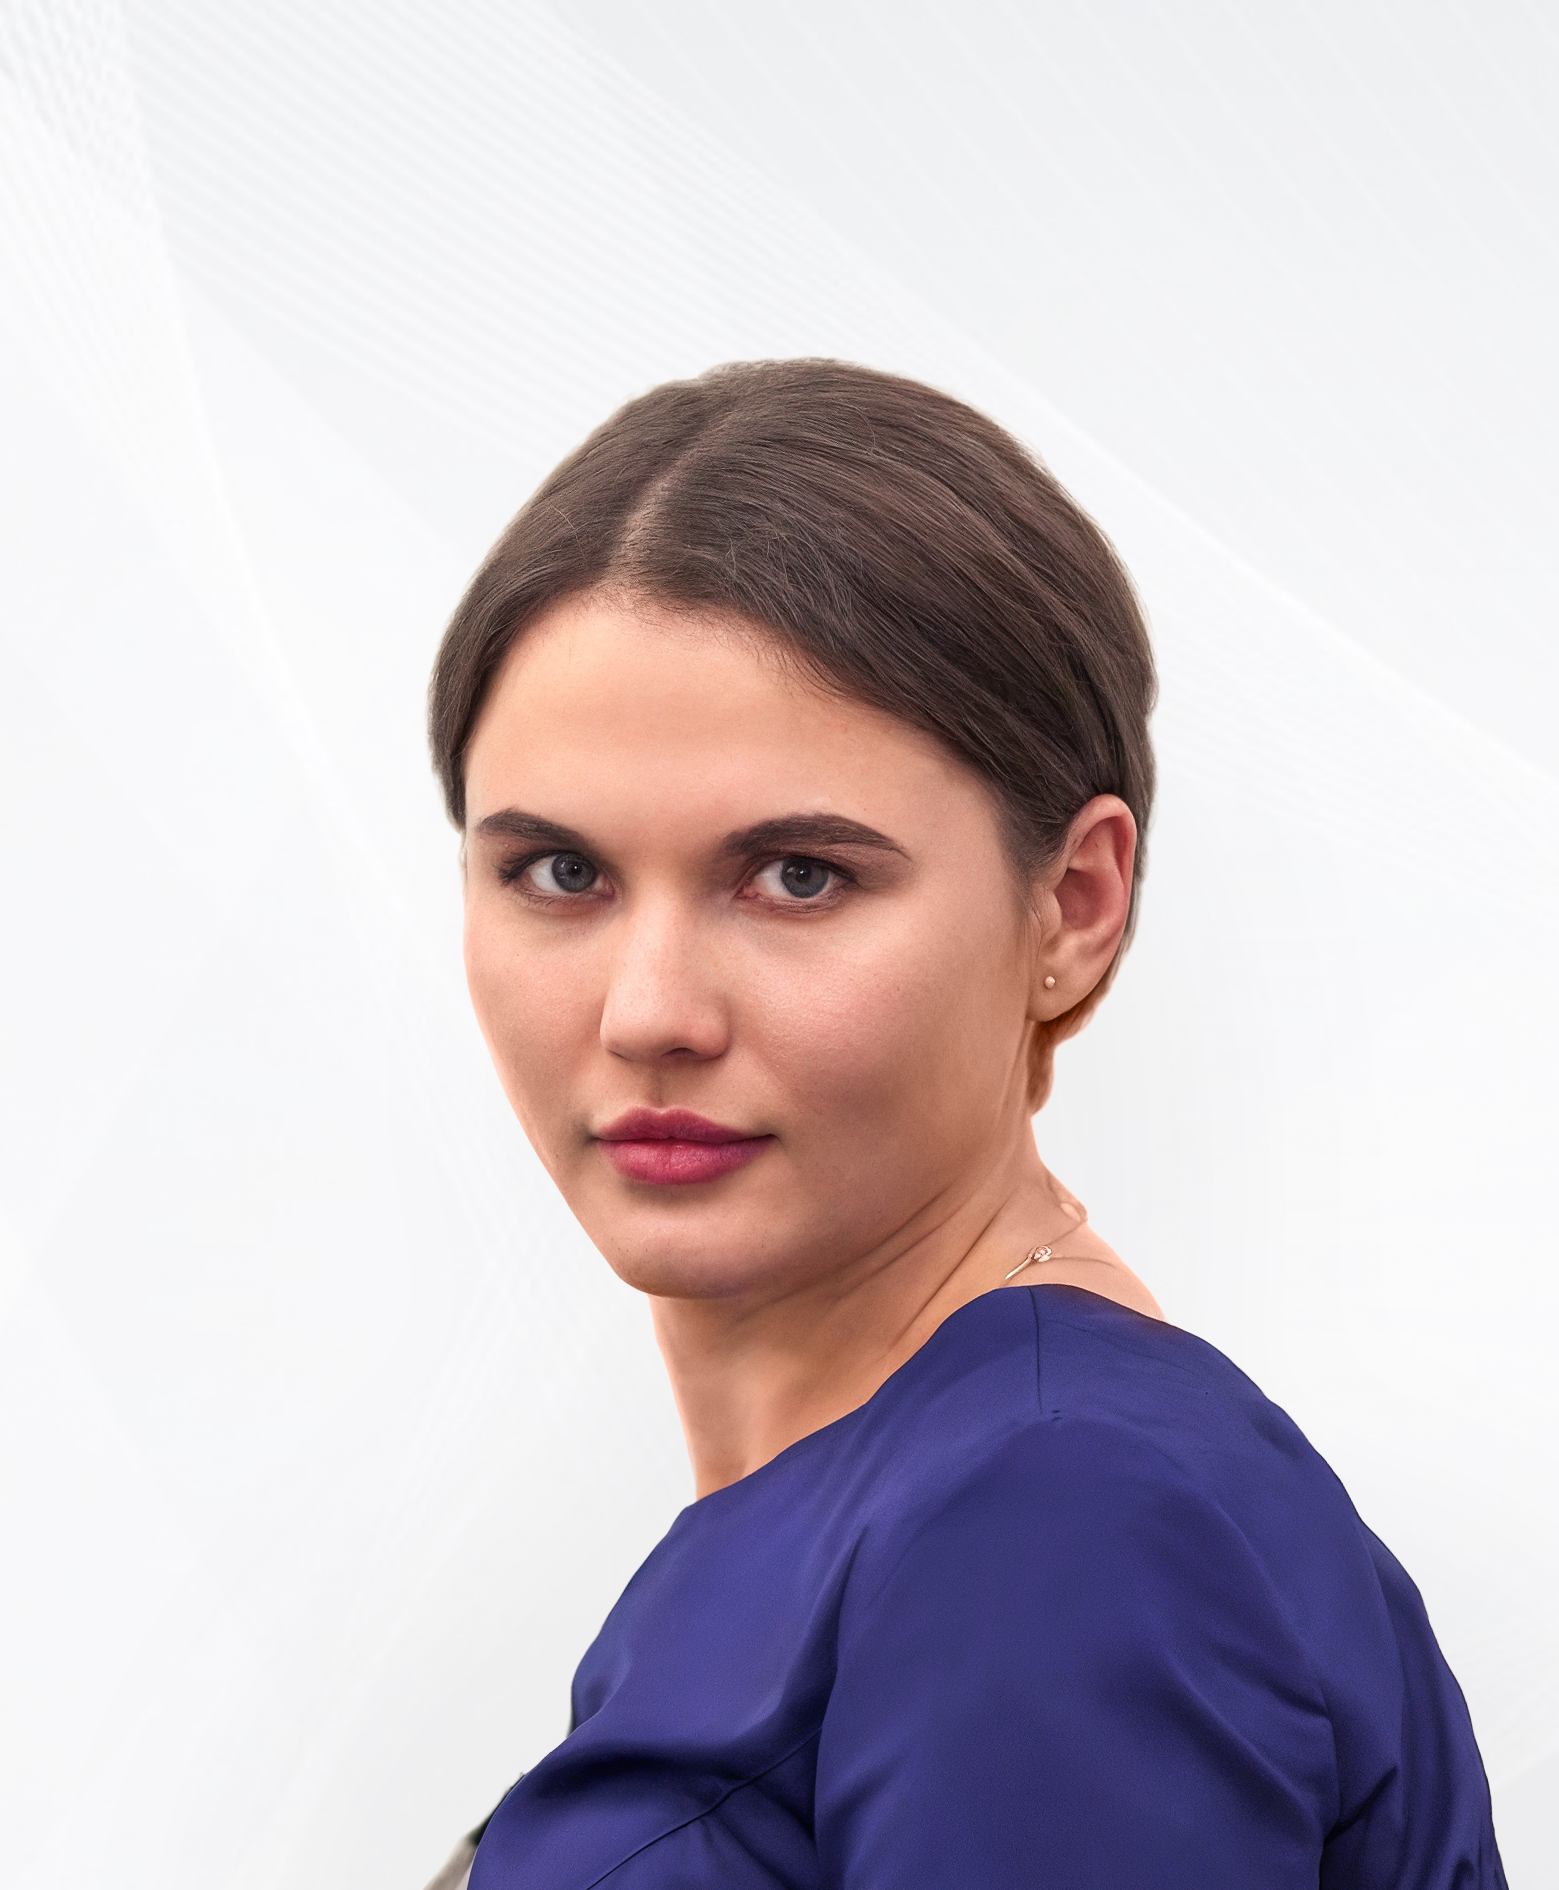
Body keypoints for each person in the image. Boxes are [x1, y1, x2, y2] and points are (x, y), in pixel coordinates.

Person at [421, 361, 1503, 1888]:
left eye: (798, 876)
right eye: (559, 873)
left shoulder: (1057, 1518)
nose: (649, 1011)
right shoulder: (932, 1495)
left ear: (1075, 904)